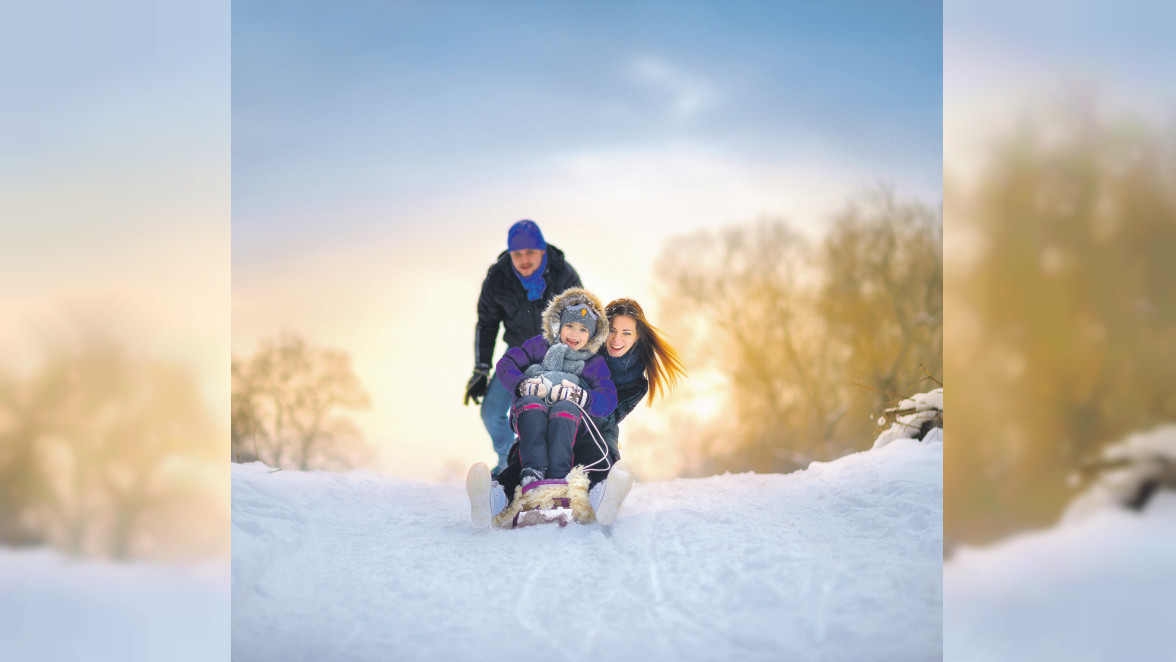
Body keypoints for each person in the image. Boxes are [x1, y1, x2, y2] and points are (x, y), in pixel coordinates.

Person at [467, 296, 687, 527]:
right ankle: (493, 498)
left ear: (638, 336)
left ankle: (603, 498)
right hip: (550, 417)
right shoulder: (585, 347)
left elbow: (607, 415)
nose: (616, 339)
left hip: (592, 431)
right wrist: (528, 388)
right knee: (525, 455)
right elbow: (515, 362)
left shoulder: (634, 381)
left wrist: (578, 398)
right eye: (612, 330)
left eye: (626, 333)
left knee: (595, 462)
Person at [463, 220, 582, 476]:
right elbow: (487, 324)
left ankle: (560, 467)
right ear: (510, 254)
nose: (524, 259)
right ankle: (510, 460)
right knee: (491, 413)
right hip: (517, 355)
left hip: (556, 355)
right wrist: (481, 368)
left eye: (530, 252)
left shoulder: (564, 274)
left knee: (548, 412)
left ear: (541, 251)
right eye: (517, 254)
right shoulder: (498, 278)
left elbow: (581, 320)